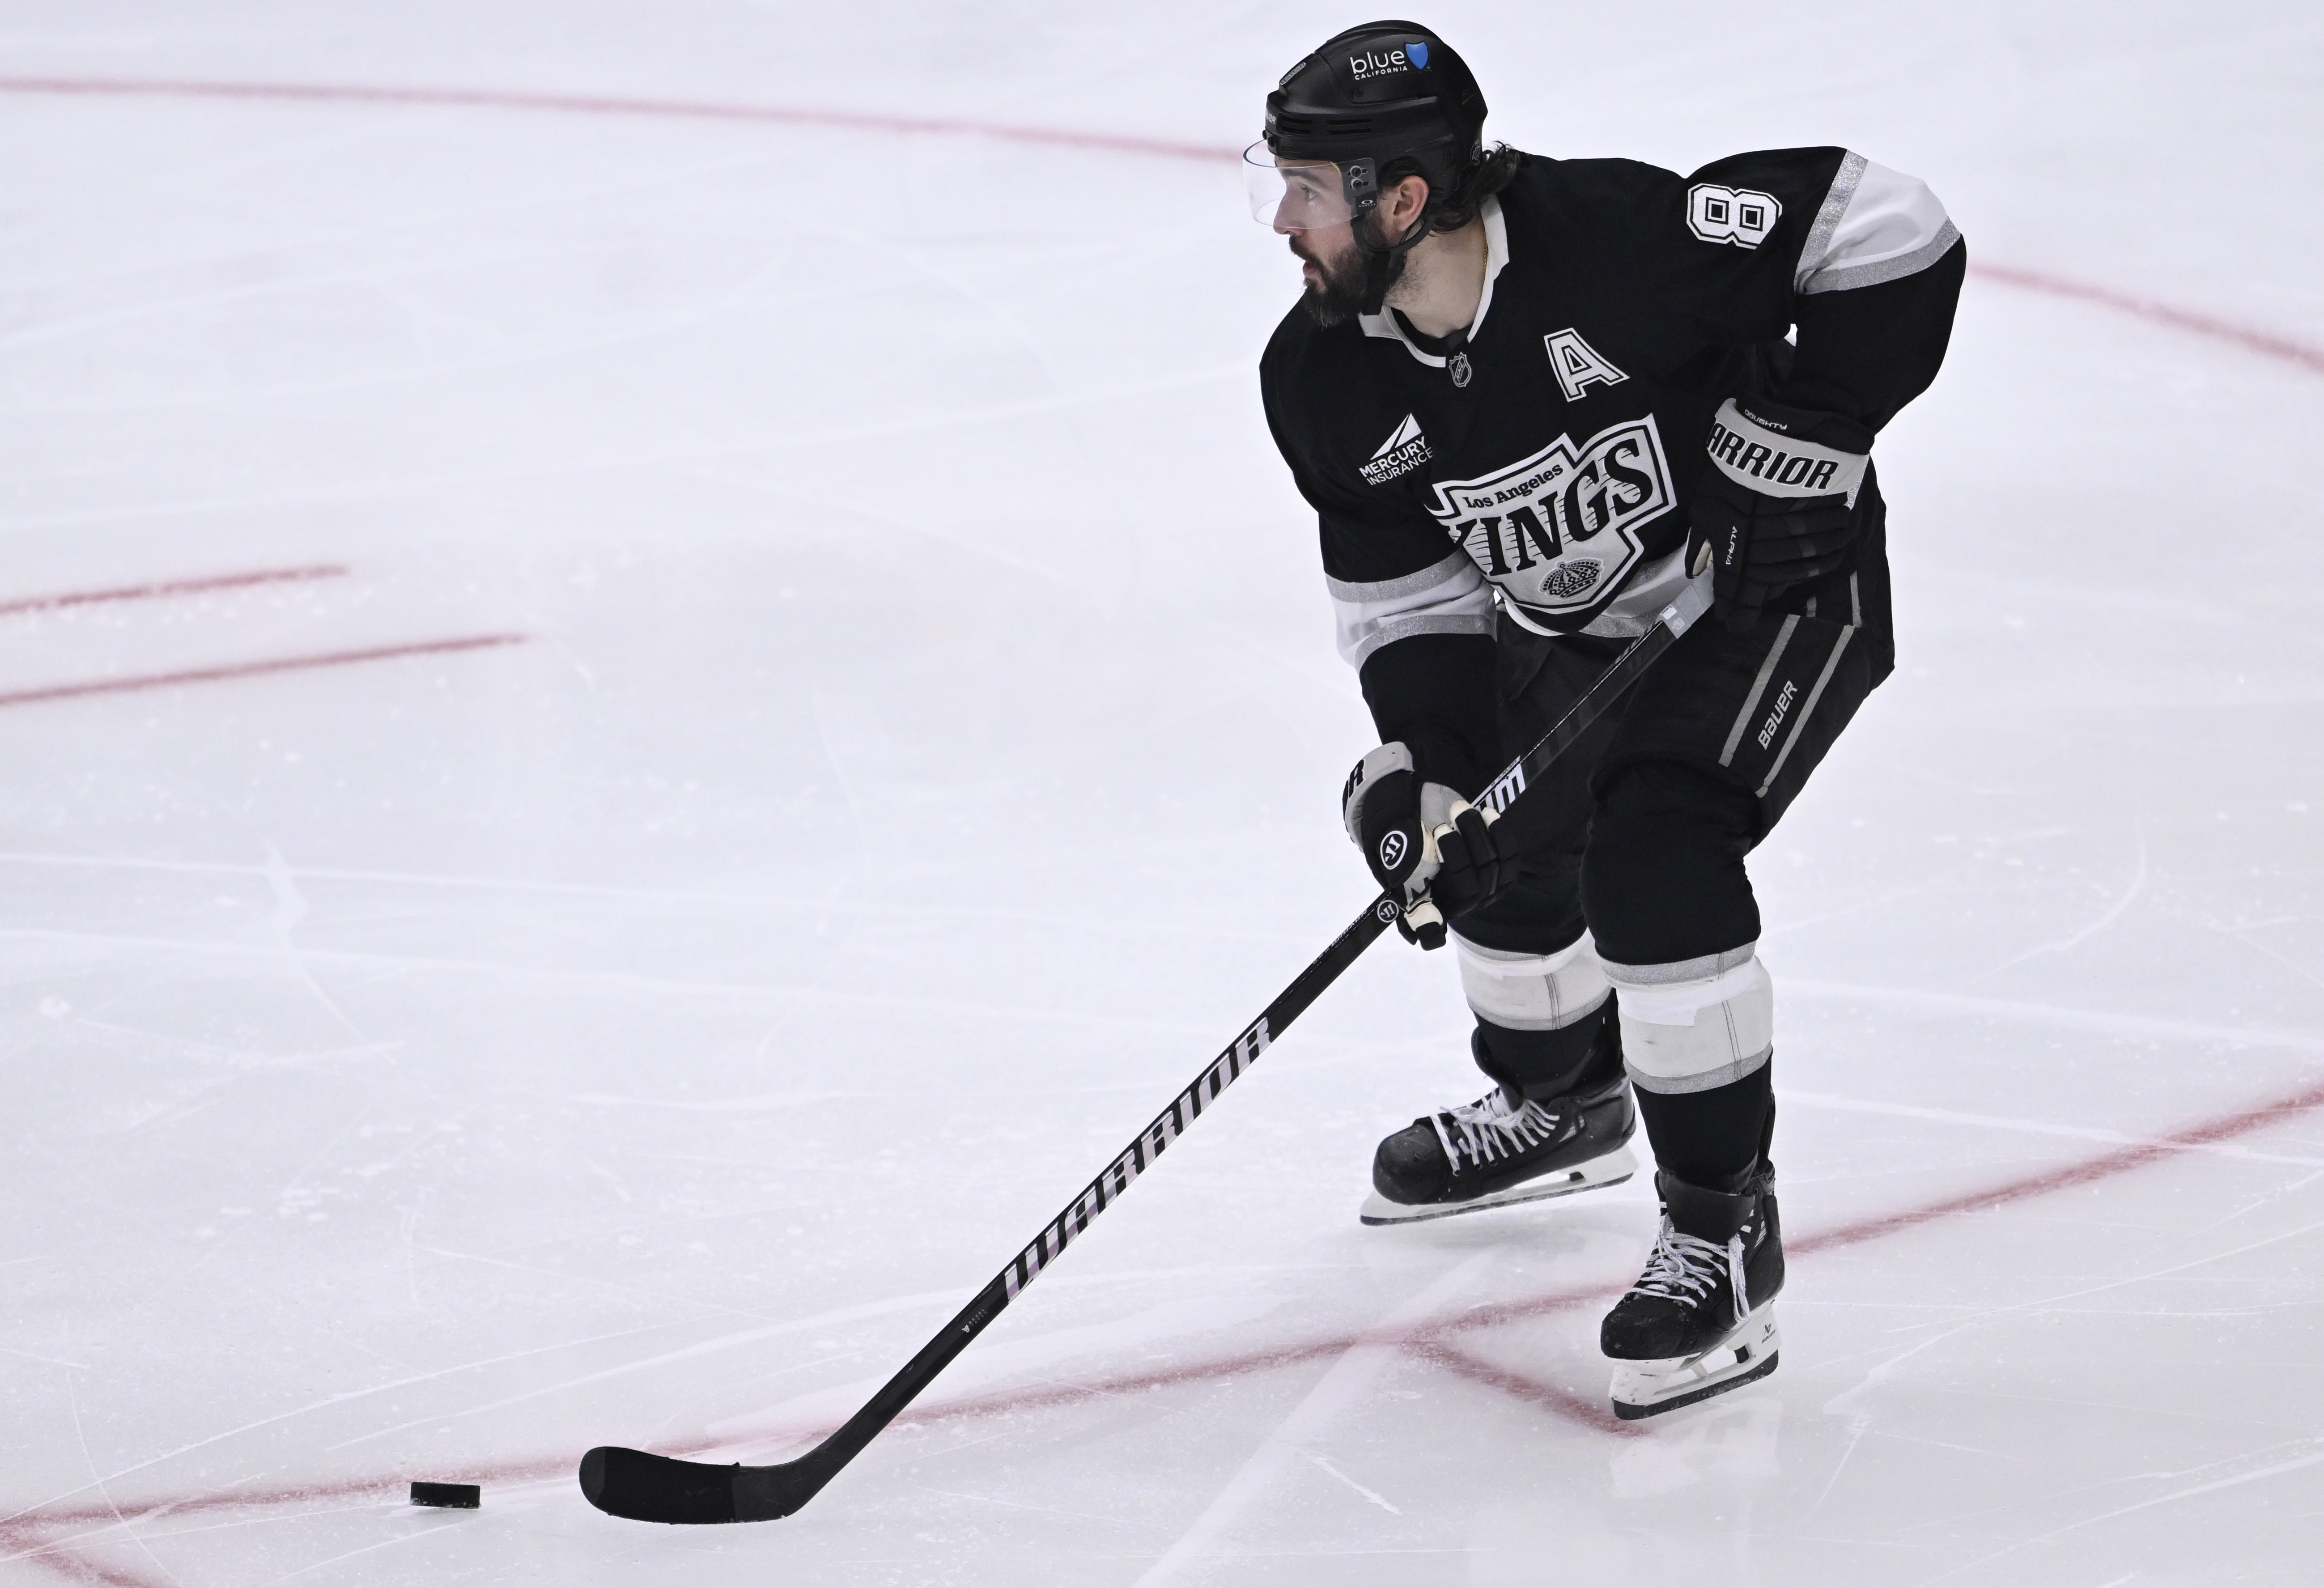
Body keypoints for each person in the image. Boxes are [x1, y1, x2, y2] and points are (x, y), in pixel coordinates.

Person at [1252, 20, 1962, 1417]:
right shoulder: (1324, 379)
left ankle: (1720, 1225)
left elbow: (1891, 224)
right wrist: (1431, 777)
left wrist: (1818, 426)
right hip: (1573, 635)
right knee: (1489, 856)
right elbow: (1407, 607)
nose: (1283, 221)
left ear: (1404, 198)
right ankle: (1563, 1098)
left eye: (1309, 189)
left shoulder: (1617, 238)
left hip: (1772, 592)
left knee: (1653, 851)